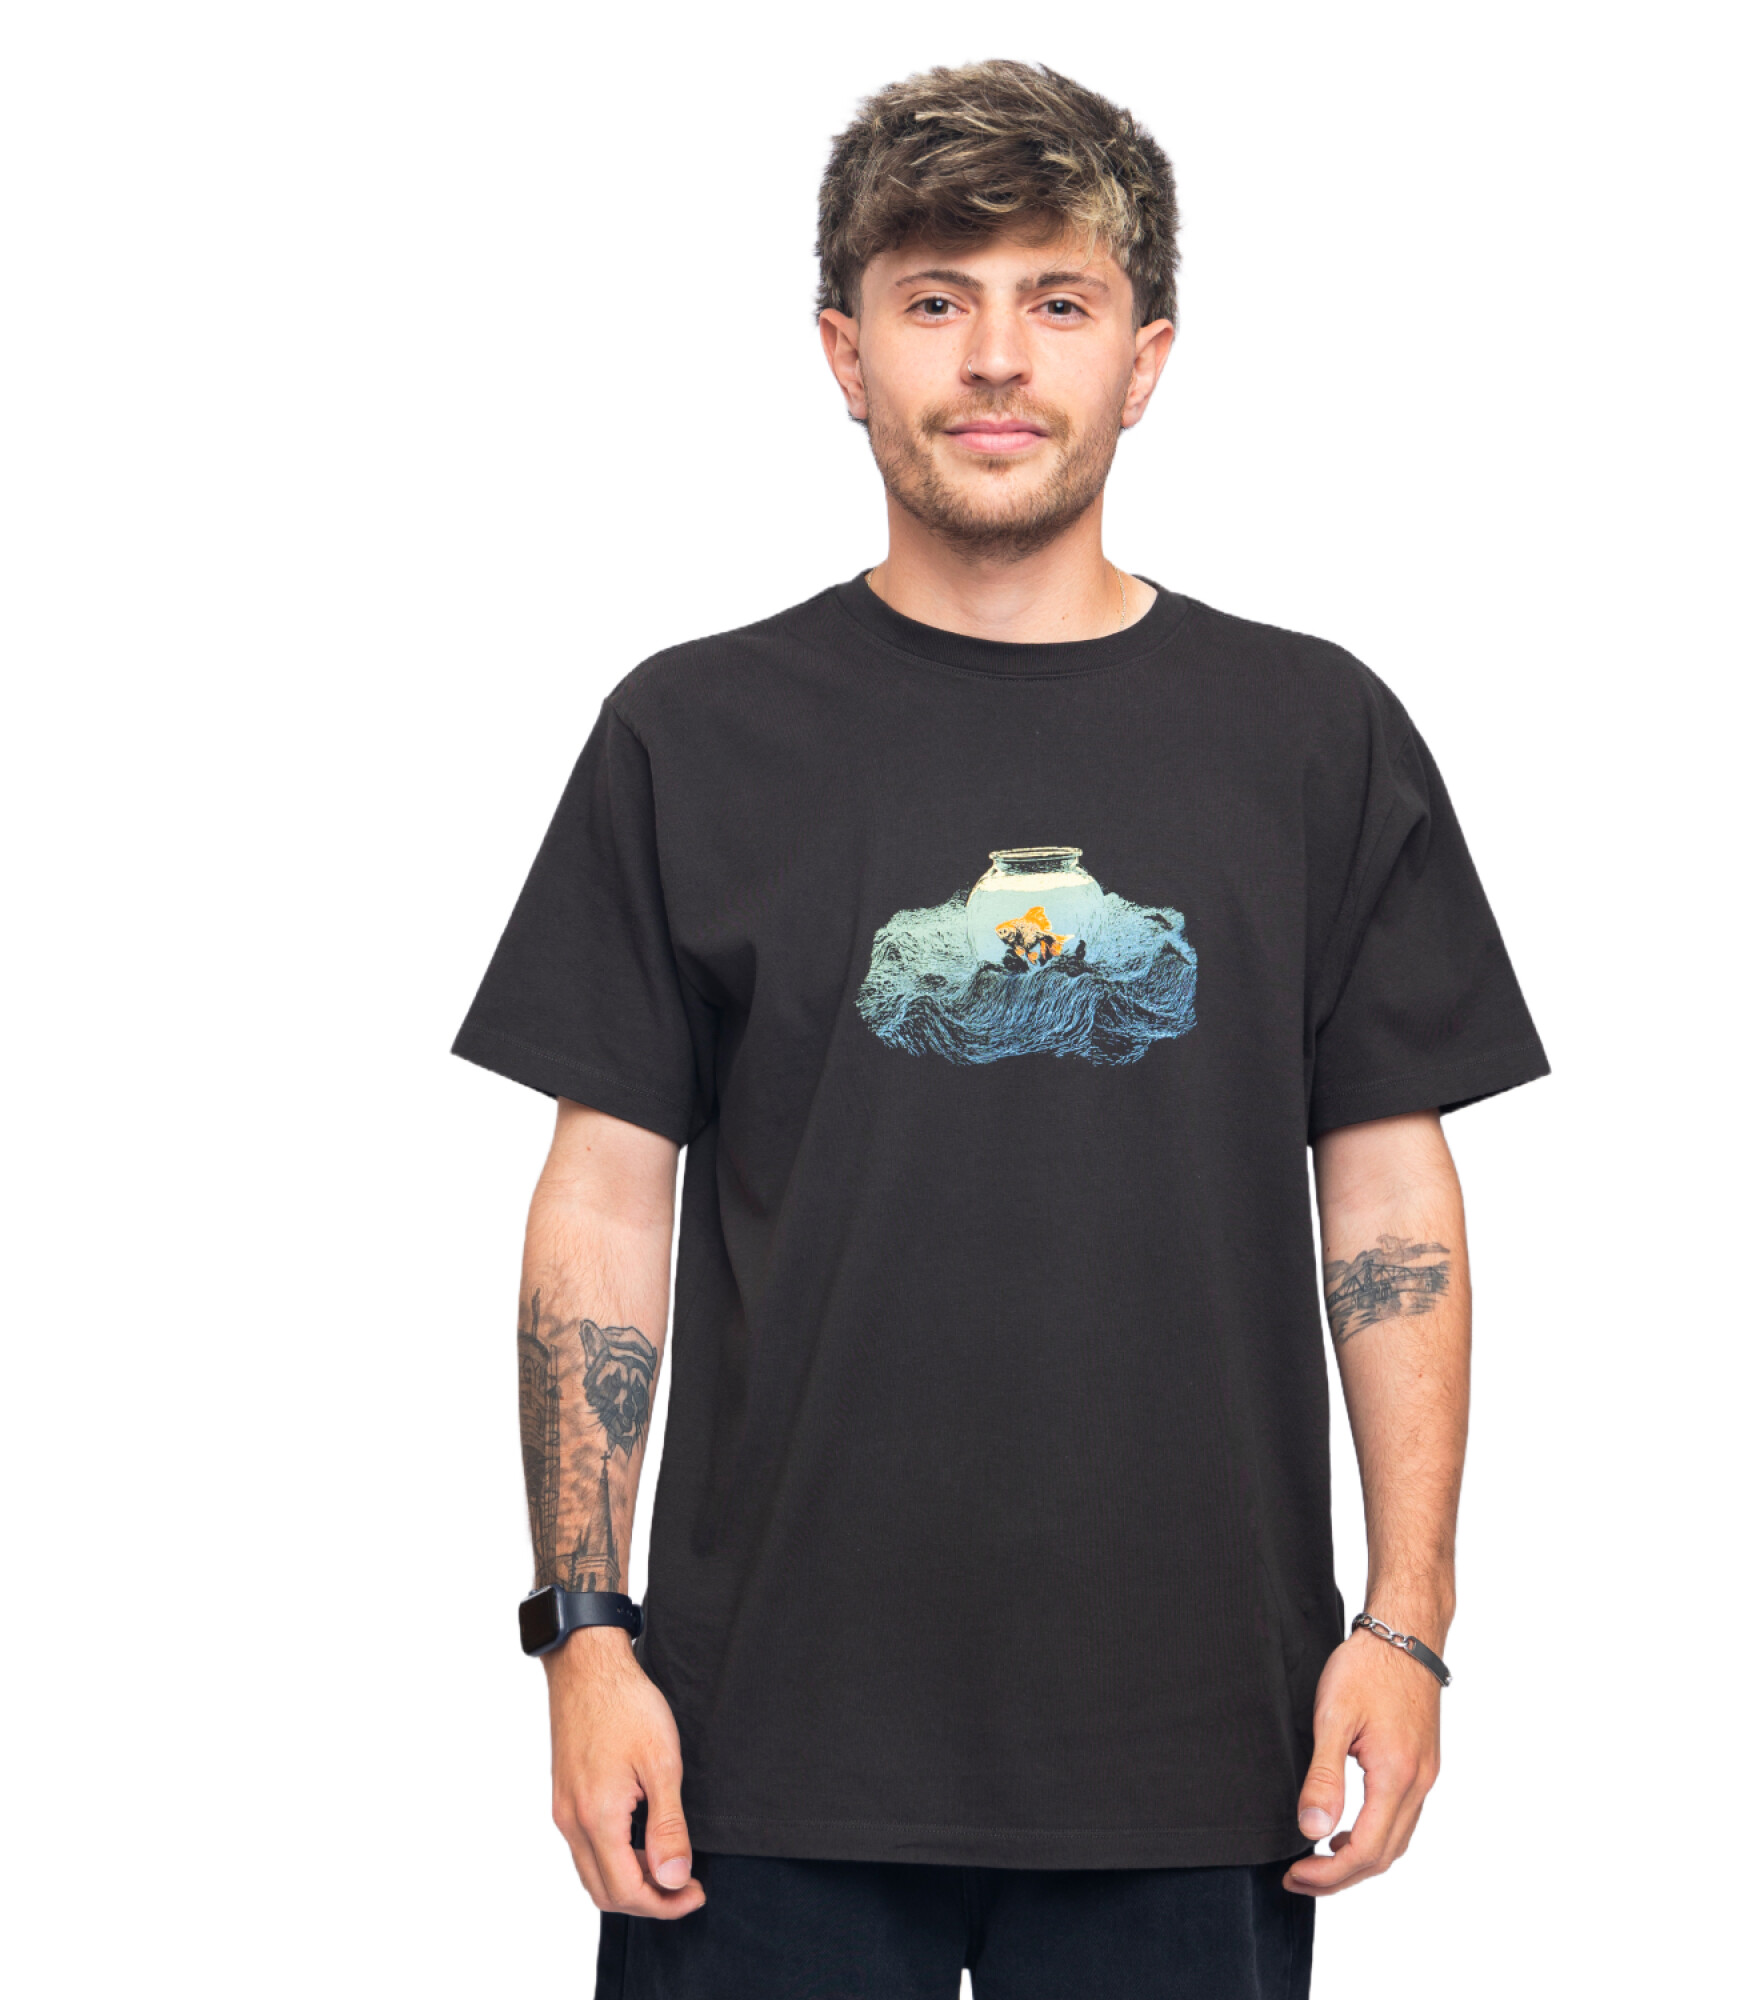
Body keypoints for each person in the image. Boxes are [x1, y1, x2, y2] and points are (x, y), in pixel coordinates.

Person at [454, 57, 1547, 2000]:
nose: (993, 358)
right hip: (756, 1745)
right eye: (933, 298)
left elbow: (1390, 1200)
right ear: (842, 350)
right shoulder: (690, 735)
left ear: (1145, 358)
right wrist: (583, 1634)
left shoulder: (1312, 737)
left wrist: (1408, 1621)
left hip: (1201, 1745)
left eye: (1057, 299)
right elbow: (603, 1202)